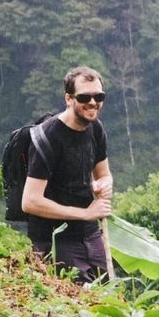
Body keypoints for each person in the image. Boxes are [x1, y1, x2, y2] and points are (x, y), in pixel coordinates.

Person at [22, 66, 114, 284]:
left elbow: (104, 174)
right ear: (69, 99)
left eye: (98, 96)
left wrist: (104, 185)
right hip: (56, 239)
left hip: (90, 235)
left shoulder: (96, 129)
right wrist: (85, 213)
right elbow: (30, 202)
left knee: (106, 297)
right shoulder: (48, 138)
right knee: (77, 303)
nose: (93, 103)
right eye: (84, 97)